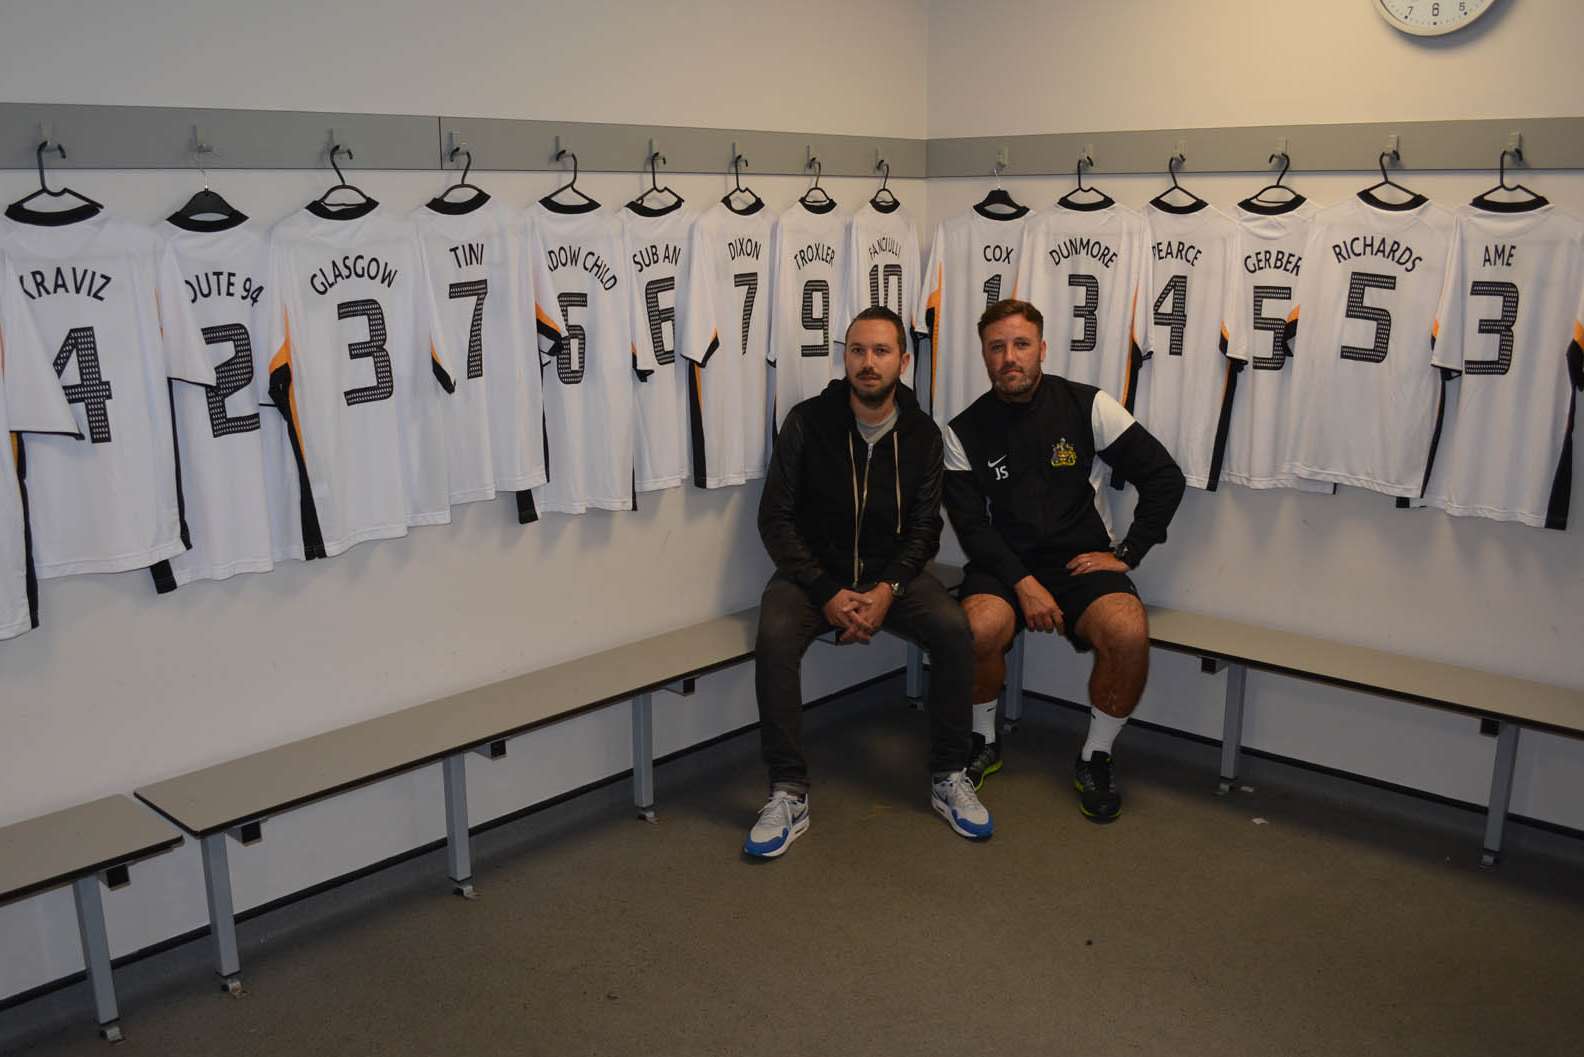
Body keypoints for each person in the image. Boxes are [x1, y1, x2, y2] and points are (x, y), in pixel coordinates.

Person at [747, 305, 990, 858]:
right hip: (812, 577)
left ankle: (949, 775)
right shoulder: (807, 422)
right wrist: (827, 592)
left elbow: (926, 529)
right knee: (776, 636)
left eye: (881, 351)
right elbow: (775, 519)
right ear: (845, 357)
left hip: (891, 578)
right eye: (857, 350)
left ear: (903, 361)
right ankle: (788, 790)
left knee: (954, 629)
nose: (868, 362)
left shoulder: (924, 435)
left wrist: (886, 592)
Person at [943, 299, 1185, 823]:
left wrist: (1127, 552)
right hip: (1004, 564)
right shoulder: (964, 430)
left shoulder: (1088, 406)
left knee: (1126, 632)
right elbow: (972, 528)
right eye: (997, 347)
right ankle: (983, 739)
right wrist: (1022, 582)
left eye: (1021, 344)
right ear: (984, 356)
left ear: (1042, 349)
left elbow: (1165, 477)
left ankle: (1095, 755)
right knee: (979, 628)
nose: (1010, 357)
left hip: (1081, 563)